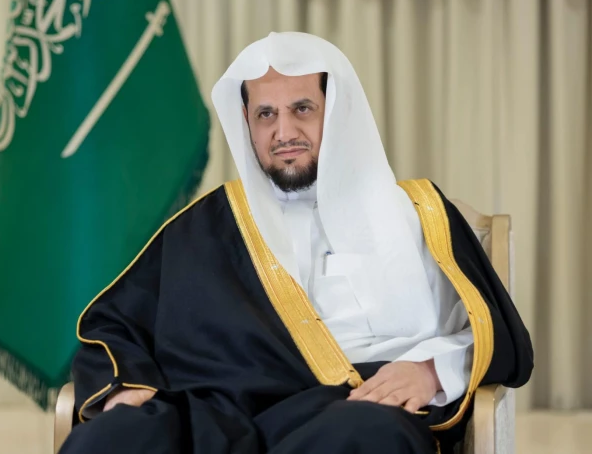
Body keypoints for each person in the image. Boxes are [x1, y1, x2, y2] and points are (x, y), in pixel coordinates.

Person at [58, 32, 533, 454]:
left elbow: (491, 332)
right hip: (216, 414)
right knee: (118, 435)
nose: (284, 133)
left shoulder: (419, 215)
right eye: (266, 114)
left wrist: (429, 370)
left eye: (302, 109)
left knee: (367, 435)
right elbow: (115, 324)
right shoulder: (206, 225)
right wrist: (124, 388)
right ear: (246, 121)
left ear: (337, 110)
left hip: (352, 409)